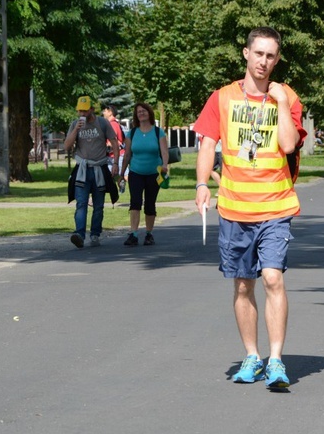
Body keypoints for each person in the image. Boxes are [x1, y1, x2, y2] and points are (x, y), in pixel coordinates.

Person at [194, 27, 306, 390]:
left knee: (273, 277)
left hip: (275, 205)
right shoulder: (223, 97)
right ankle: (251, 356)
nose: (264, 62)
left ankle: (276, 360)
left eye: (271, 56)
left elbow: (289, 146)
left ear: (277, 59)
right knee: (243, 286)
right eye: (258, 54)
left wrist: (283, 106)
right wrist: (201, 185)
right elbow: (208, 144)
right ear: (246, 53)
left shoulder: (286, 97)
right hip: (234, 207)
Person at [65, 96, 119, 248]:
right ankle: (79, 235)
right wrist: (76, 129)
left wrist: (115, 163)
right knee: (81, 203)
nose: (82, 113)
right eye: (80, 110)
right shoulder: (75, 124)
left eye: (85, 110)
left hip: (99, 168)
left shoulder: (102, 123)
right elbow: (67, 146)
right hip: (82, 168)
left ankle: (95, 234)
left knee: (98, 205)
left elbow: (114, 142)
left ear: (92, 109)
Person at [120, 103, 169, 246]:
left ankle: (149, 234)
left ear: (149, 113)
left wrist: (165, 165)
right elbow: (127, 154)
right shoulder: (132, 133)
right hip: (136, 172)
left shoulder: (158, 132)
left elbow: (164, 152)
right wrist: (122, 172)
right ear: (136, 115)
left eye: (144, 111)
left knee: (150, 204)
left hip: (154, 173)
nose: (141, 113)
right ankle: (133, 234)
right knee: (135, 202)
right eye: (138, 112)